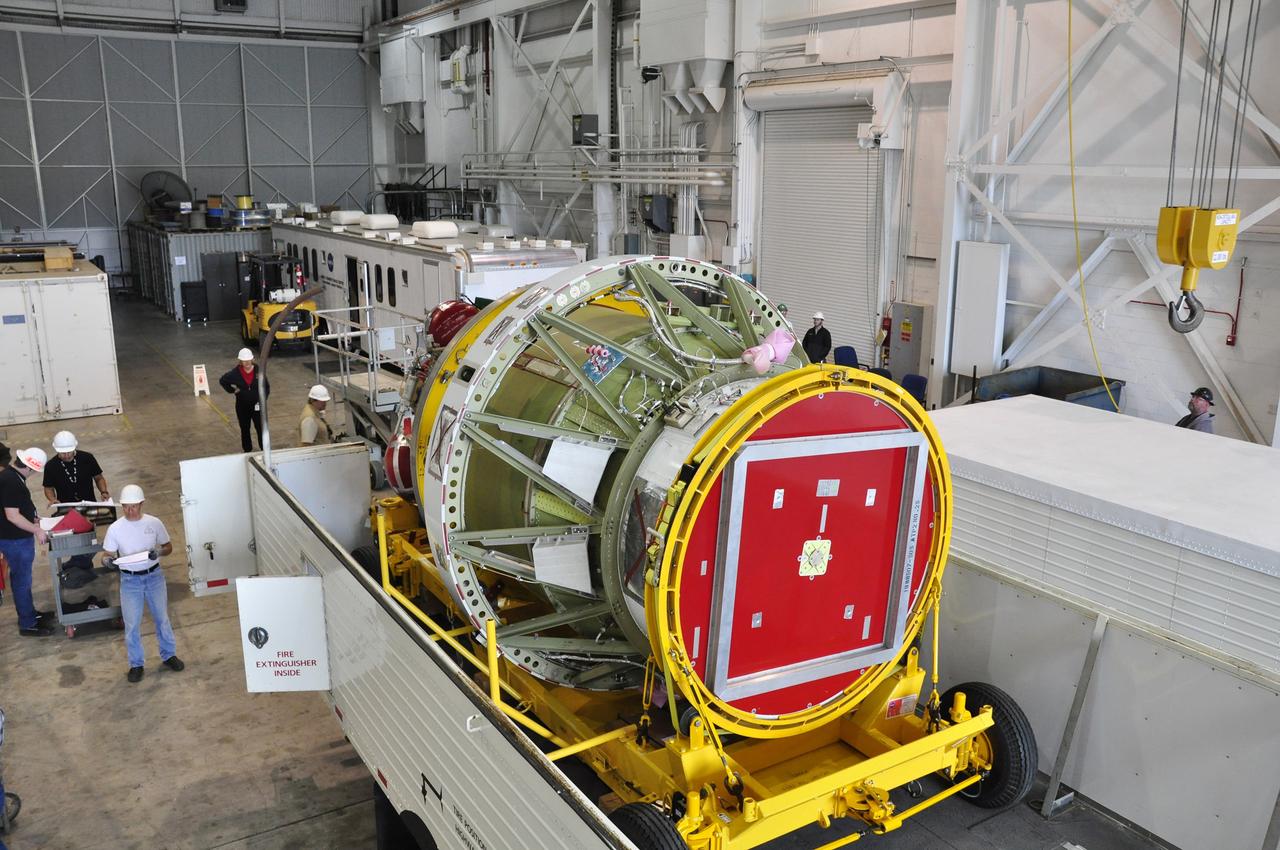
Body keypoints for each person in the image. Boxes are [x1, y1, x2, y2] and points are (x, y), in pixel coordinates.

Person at [101, 485, 184, 683]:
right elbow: (107, 554)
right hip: (130, 580)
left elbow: (168, 546)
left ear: (141, 504)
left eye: (134, 507)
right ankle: (136, 664)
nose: (130, 511)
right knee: (132, 624)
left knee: (162, 618)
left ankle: (169, 654)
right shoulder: (115, 528)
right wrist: (108, 561)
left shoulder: (154, 523)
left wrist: (160, 553)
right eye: (126, 507)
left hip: (154, 577)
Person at [41, 431, 109, 588]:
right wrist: (52, 499)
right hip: (67, 511)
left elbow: (98, 477)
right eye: (61, 452)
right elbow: (48, 487)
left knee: (90, 541)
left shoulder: (87, 458)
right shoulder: (51, 466)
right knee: (74, 542)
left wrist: (104, 492)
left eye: (68, 452)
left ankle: (75, 566)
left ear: (75, 447)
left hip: (89, 509)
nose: (65, 455)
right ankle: (80, 568)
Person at [0, 448, 53, 637]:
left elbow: (19, 506)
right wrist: (36, 529)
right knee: (22, 581)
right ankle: (28, 624)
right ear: (31, 468)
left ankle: (29, 614)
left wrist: (34, 516)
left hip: (15, 538)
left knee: (22, 580)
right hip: (15, 540)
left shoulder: (10, 476)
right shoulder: (12, 482)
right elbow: (12, 516)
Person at [219, 348, 270, 453]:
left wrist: (262, 400)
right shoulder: (235, 373)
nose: (246, 362)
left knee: (260, 428)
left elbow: (266, 387)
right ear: (240, 361)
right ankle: (247, 450)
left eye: (248, 360)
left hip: (257, 407)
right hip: (242, 408)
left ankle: (264, 450)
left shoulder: (259, 371)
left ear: (252, 359)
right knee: (245, 429)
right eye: (244, 360)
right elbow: (223, 380)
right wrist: (232, 390)